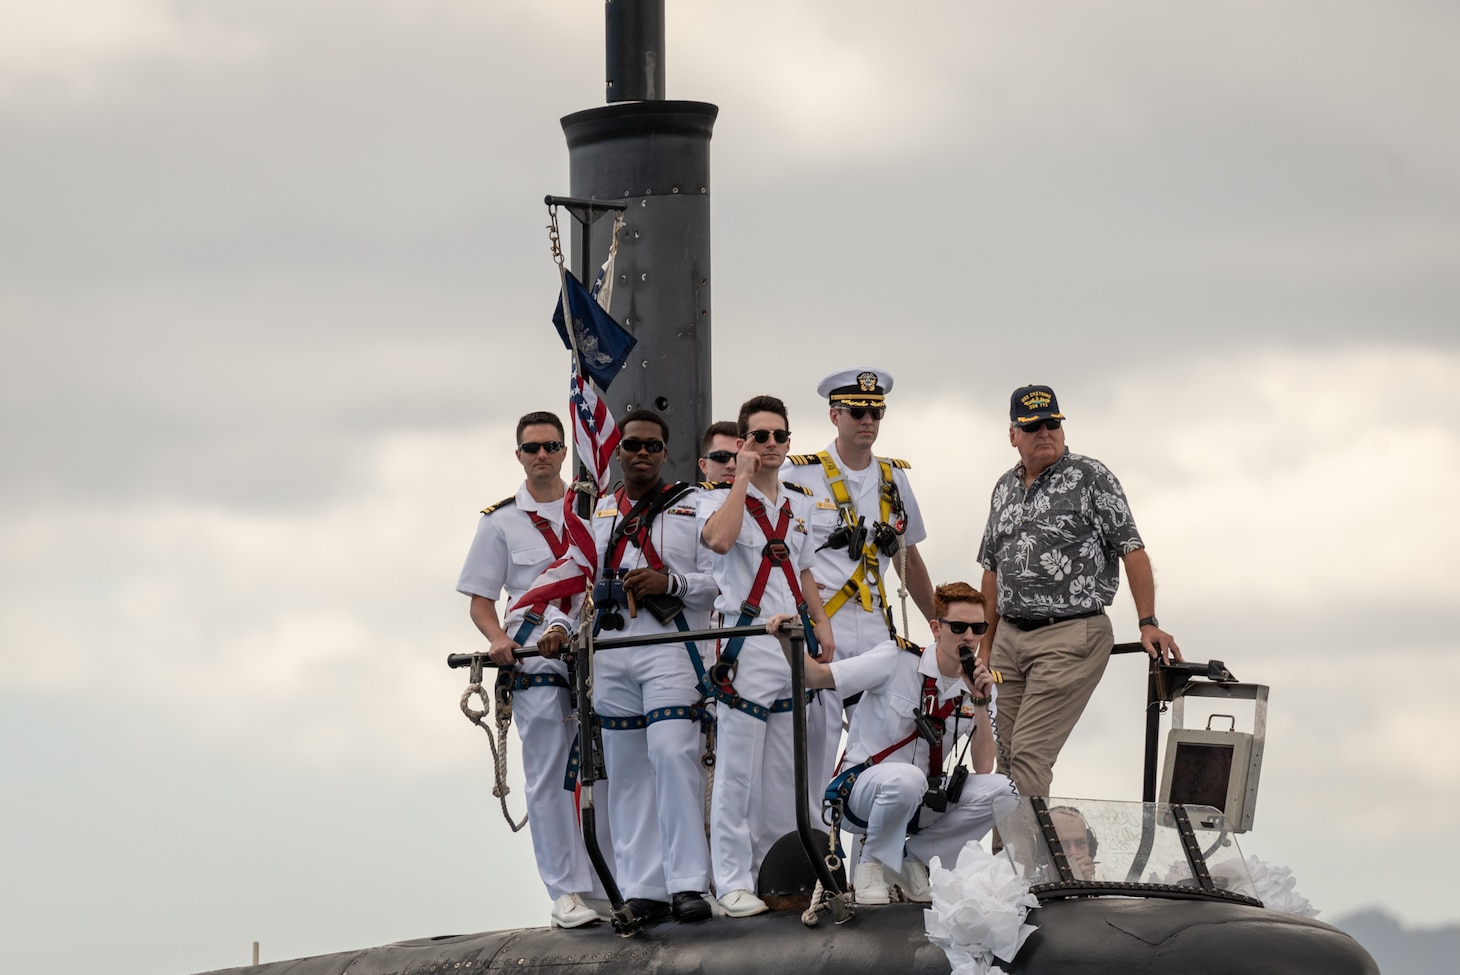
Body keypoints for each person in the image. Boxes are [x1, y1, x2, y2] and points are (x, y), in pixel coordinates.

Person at [537, 410, 717, 923]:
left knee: (671, 753)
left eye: (652, 446)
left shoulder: (695, 507)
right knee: (628, 772)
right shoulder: (595, 515)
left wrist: (672, 584)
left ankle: (687, 884)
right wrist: (556, 625)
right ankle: (644, 888)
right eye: (633, 444)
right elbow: (570, 576)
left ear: (665, 452)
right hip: (611, 653)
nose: (642, 453)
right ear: (618, 451)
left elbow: (722, 579)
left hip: (669, 649)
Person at [975, 384, 1182, 800]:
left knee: (1032, 754)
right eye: (1033, 426)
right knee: (1006, 758)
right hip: (1009, 640)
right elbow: (992, 570)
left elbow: (1133, 551)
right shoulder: (1003, 488)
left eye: (1053, 423)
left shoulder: (1091, 477)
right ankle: (1004, 863)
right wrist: (985, 645)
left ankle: (1028, 866)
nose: (1045, 433)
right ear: (1014, 434)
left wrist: (1147, 623)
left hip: (1071, 633)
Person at [455, 411, 607, 928]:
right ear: (518, 455)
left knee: (613, 768)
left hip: (599, 647)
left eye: (550, 445)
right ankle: (565, 890)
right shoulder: (500, 522)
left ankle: (611, 878)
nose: (541, 455)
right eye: (531, 447)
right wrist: (498, 641)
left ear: (565, 451)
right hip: (534, 653)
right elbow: (480, 600)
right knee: (547, 775)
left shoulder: (593, 510)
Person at [776, 581, 1014, 905]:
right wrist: (785, 640)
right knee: (906, 777)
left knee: (1003, 790)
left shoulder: (982, 685)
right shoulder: (896, 658)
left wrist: (982, 702)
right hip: (859, 792)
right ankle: (871, 864)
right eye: (959, 627)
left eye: (978, 628)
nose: (969, 637)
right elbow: (817, 677)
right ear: (935, 628)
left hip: (920, 797)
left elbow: (984, 766)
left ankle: (911, 856)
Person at [699, 395, 835, 917]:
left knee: (784, 769)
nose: (772, 445)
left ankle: (774, 874)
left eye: (779, 436)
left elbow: (802, 571)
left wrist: (822, 623)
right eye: (760, 436)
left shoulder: (799, 503)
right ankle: (732, 879)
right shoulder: (720, 499)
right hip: (747, 638)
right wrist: (741, 479)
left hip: (791, 642)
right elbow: (719, 542)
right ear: (742, 443)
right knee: (738, 768)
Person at [781, 367, 935, 805]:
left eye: (875, 412)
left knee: (884, 742)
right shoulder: (802, 477)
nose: (868, 421)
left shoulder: (894, 478)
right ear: (835, 416)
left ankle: (868, 854)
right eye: (857, 412)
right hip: (823, 619)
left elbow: (909, 556)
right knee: (818, 741)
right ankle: (813, 849)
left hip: (873, 623)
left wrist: (937, 621)